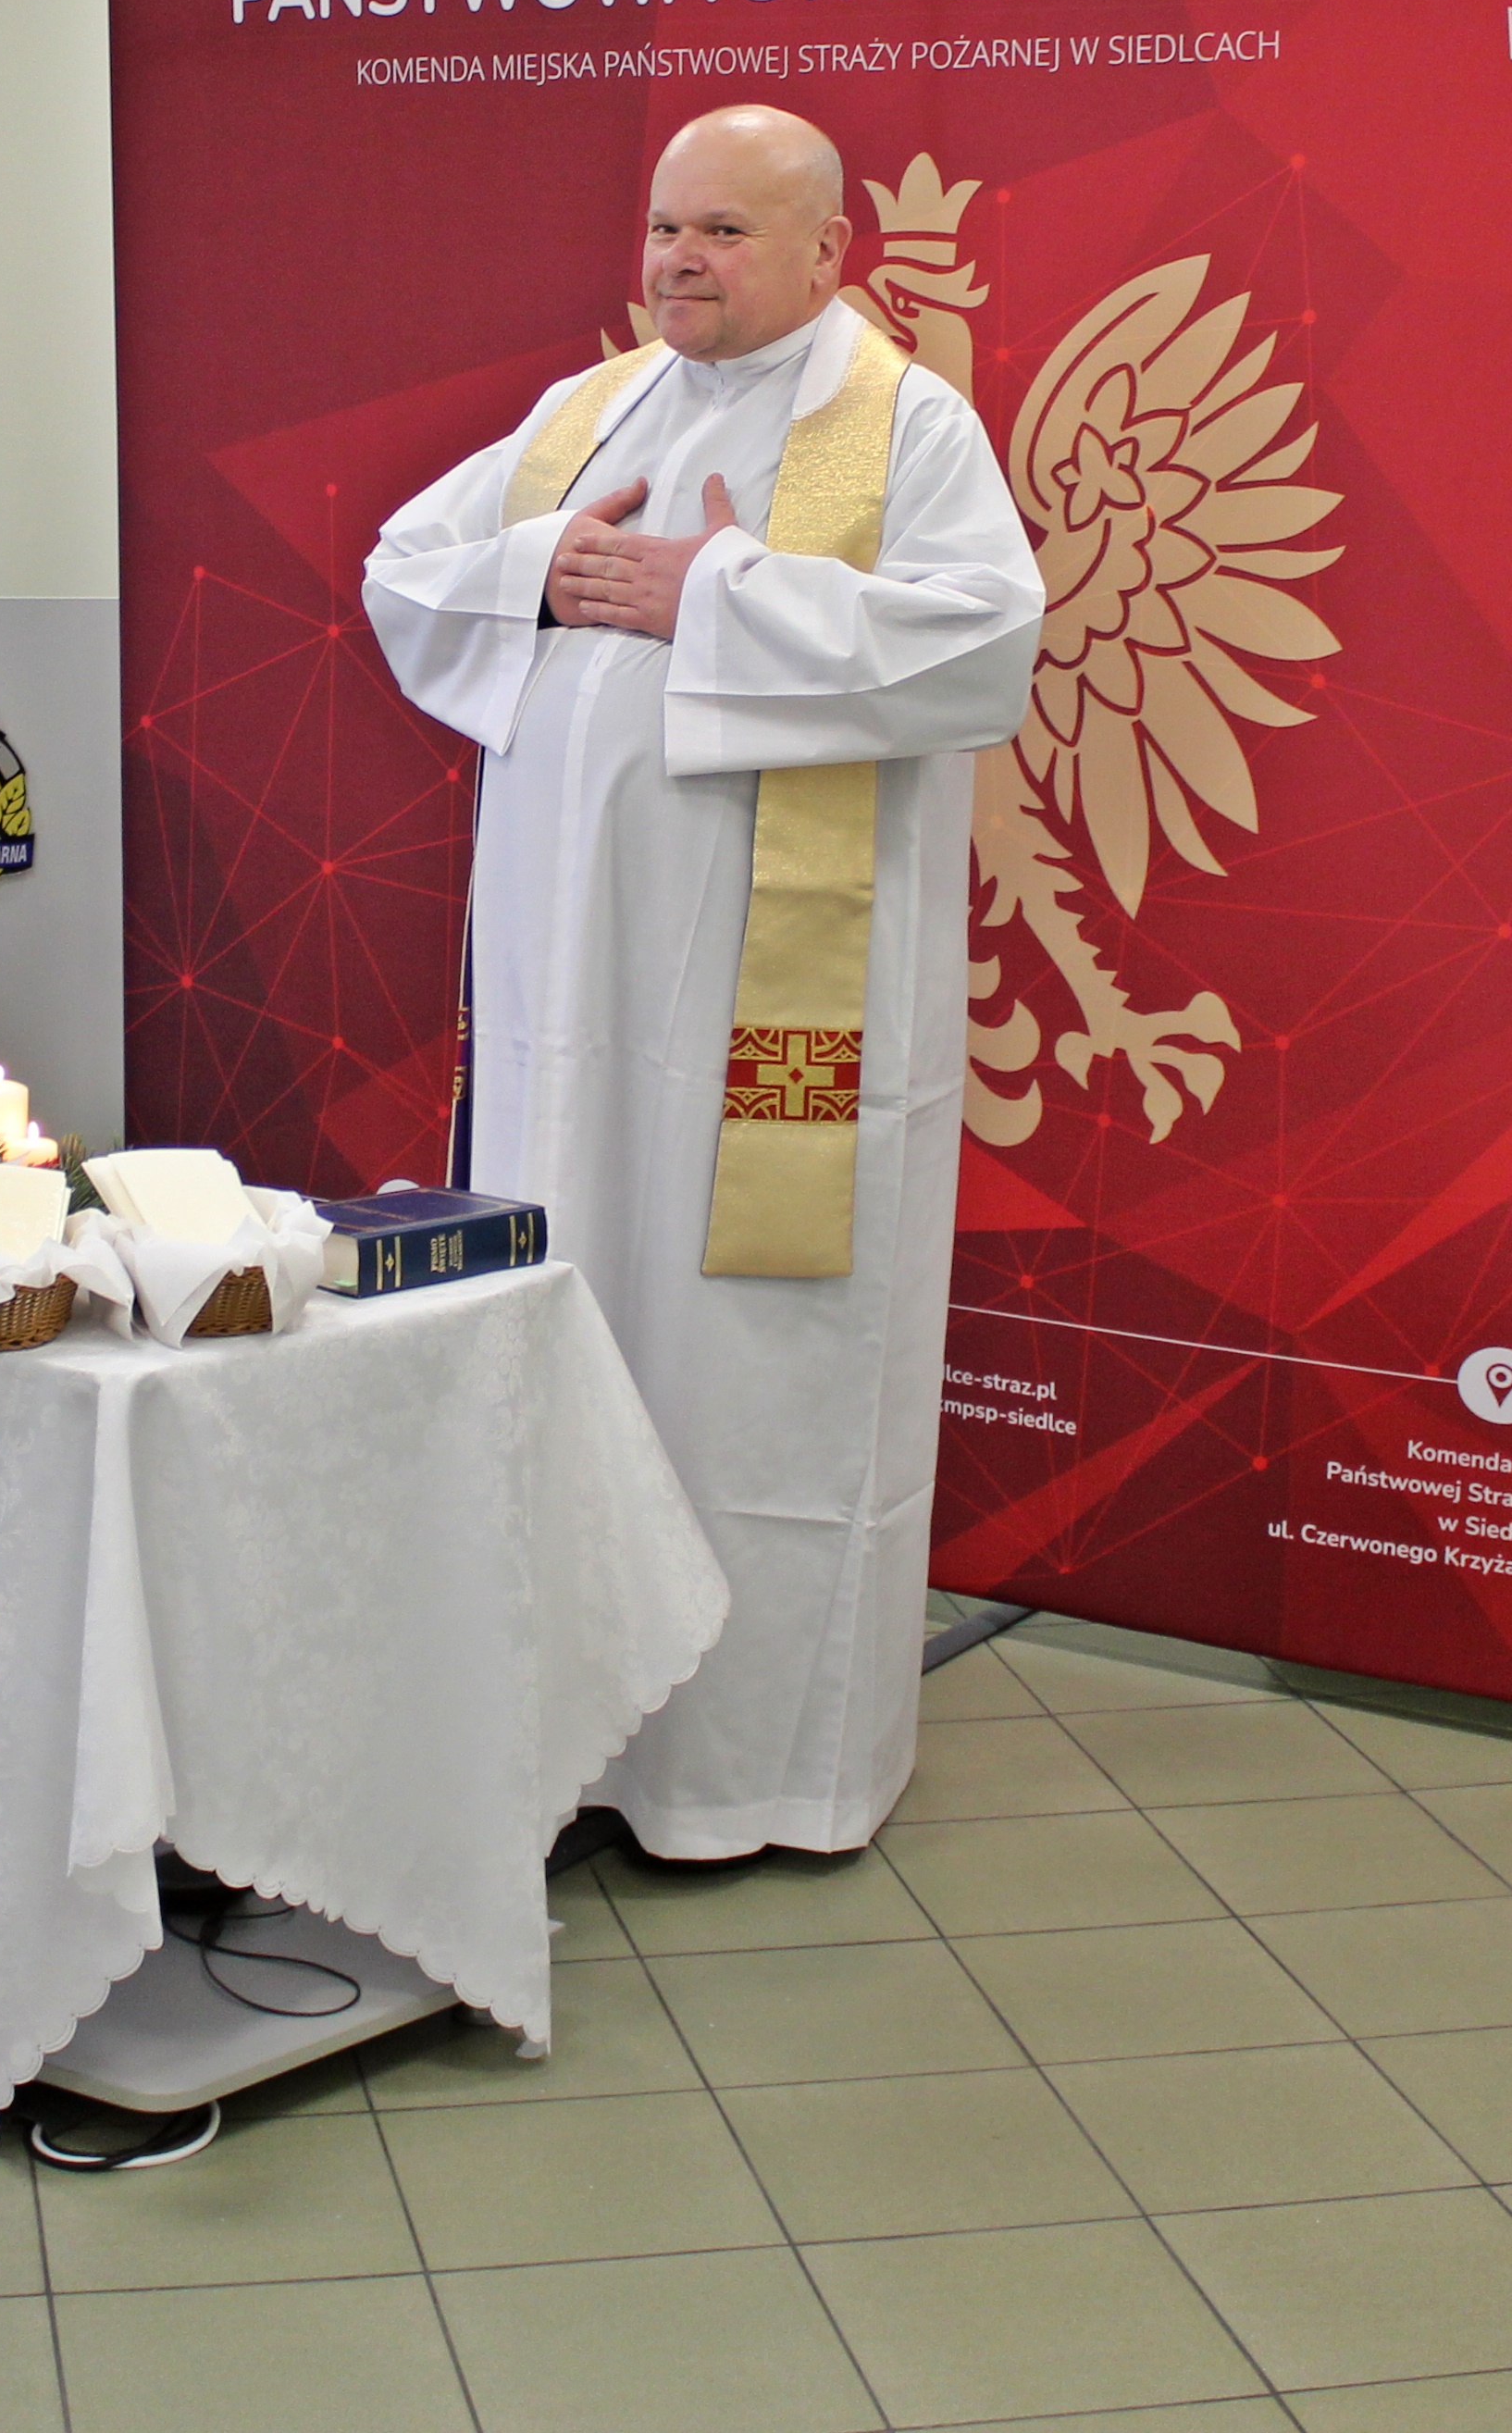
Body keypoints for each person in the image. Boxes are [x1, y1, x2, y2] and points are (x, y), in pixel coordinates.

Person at [364, 104, 1044, 1858]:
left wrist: (714, 594)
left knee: (758, 1367)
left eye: (727, 232)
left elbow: (987, 639)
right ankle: (565, 1748)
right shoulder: (588, 414)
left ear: (830, 251)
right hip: (569, 1009)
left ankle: (759, 1771)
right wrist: (551, 570)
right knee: (567, 1311)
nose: (681, 260)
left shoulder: (904, 424)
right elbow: (406, 573)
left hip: (778, 1036)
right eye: (667, 226)